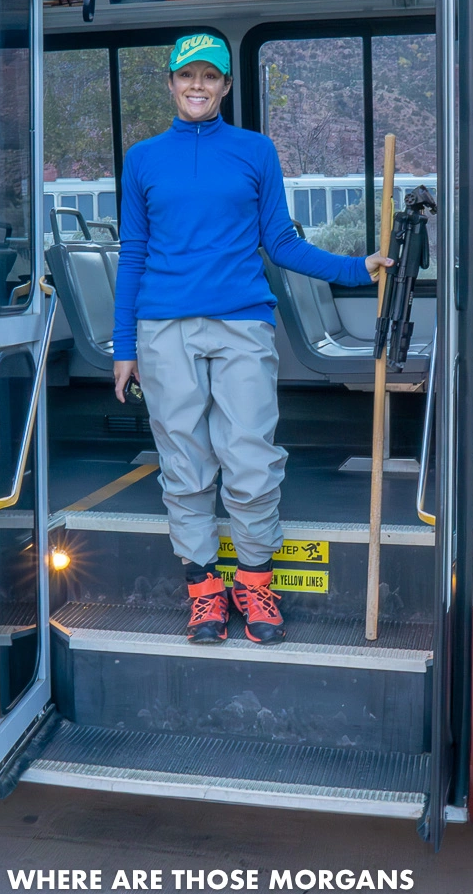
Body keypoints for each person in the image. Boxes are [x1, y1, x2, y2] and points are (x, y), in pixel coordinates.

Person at [112, 34, 391, 645]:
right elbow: (132, 254)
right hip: (163, 329)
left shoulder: (256, 152)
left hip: (243, 324)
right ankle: (204, 592)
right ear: (170, 83)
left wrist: (353, 269)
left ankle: (256, 582)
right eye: (188, 76)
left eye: (211, 78)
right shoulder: (143, 159)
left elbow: (282, 243)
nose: (198, 87)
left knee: (250, 459)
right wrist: (123, 346)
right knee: (184, 462)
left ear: (226, 88)